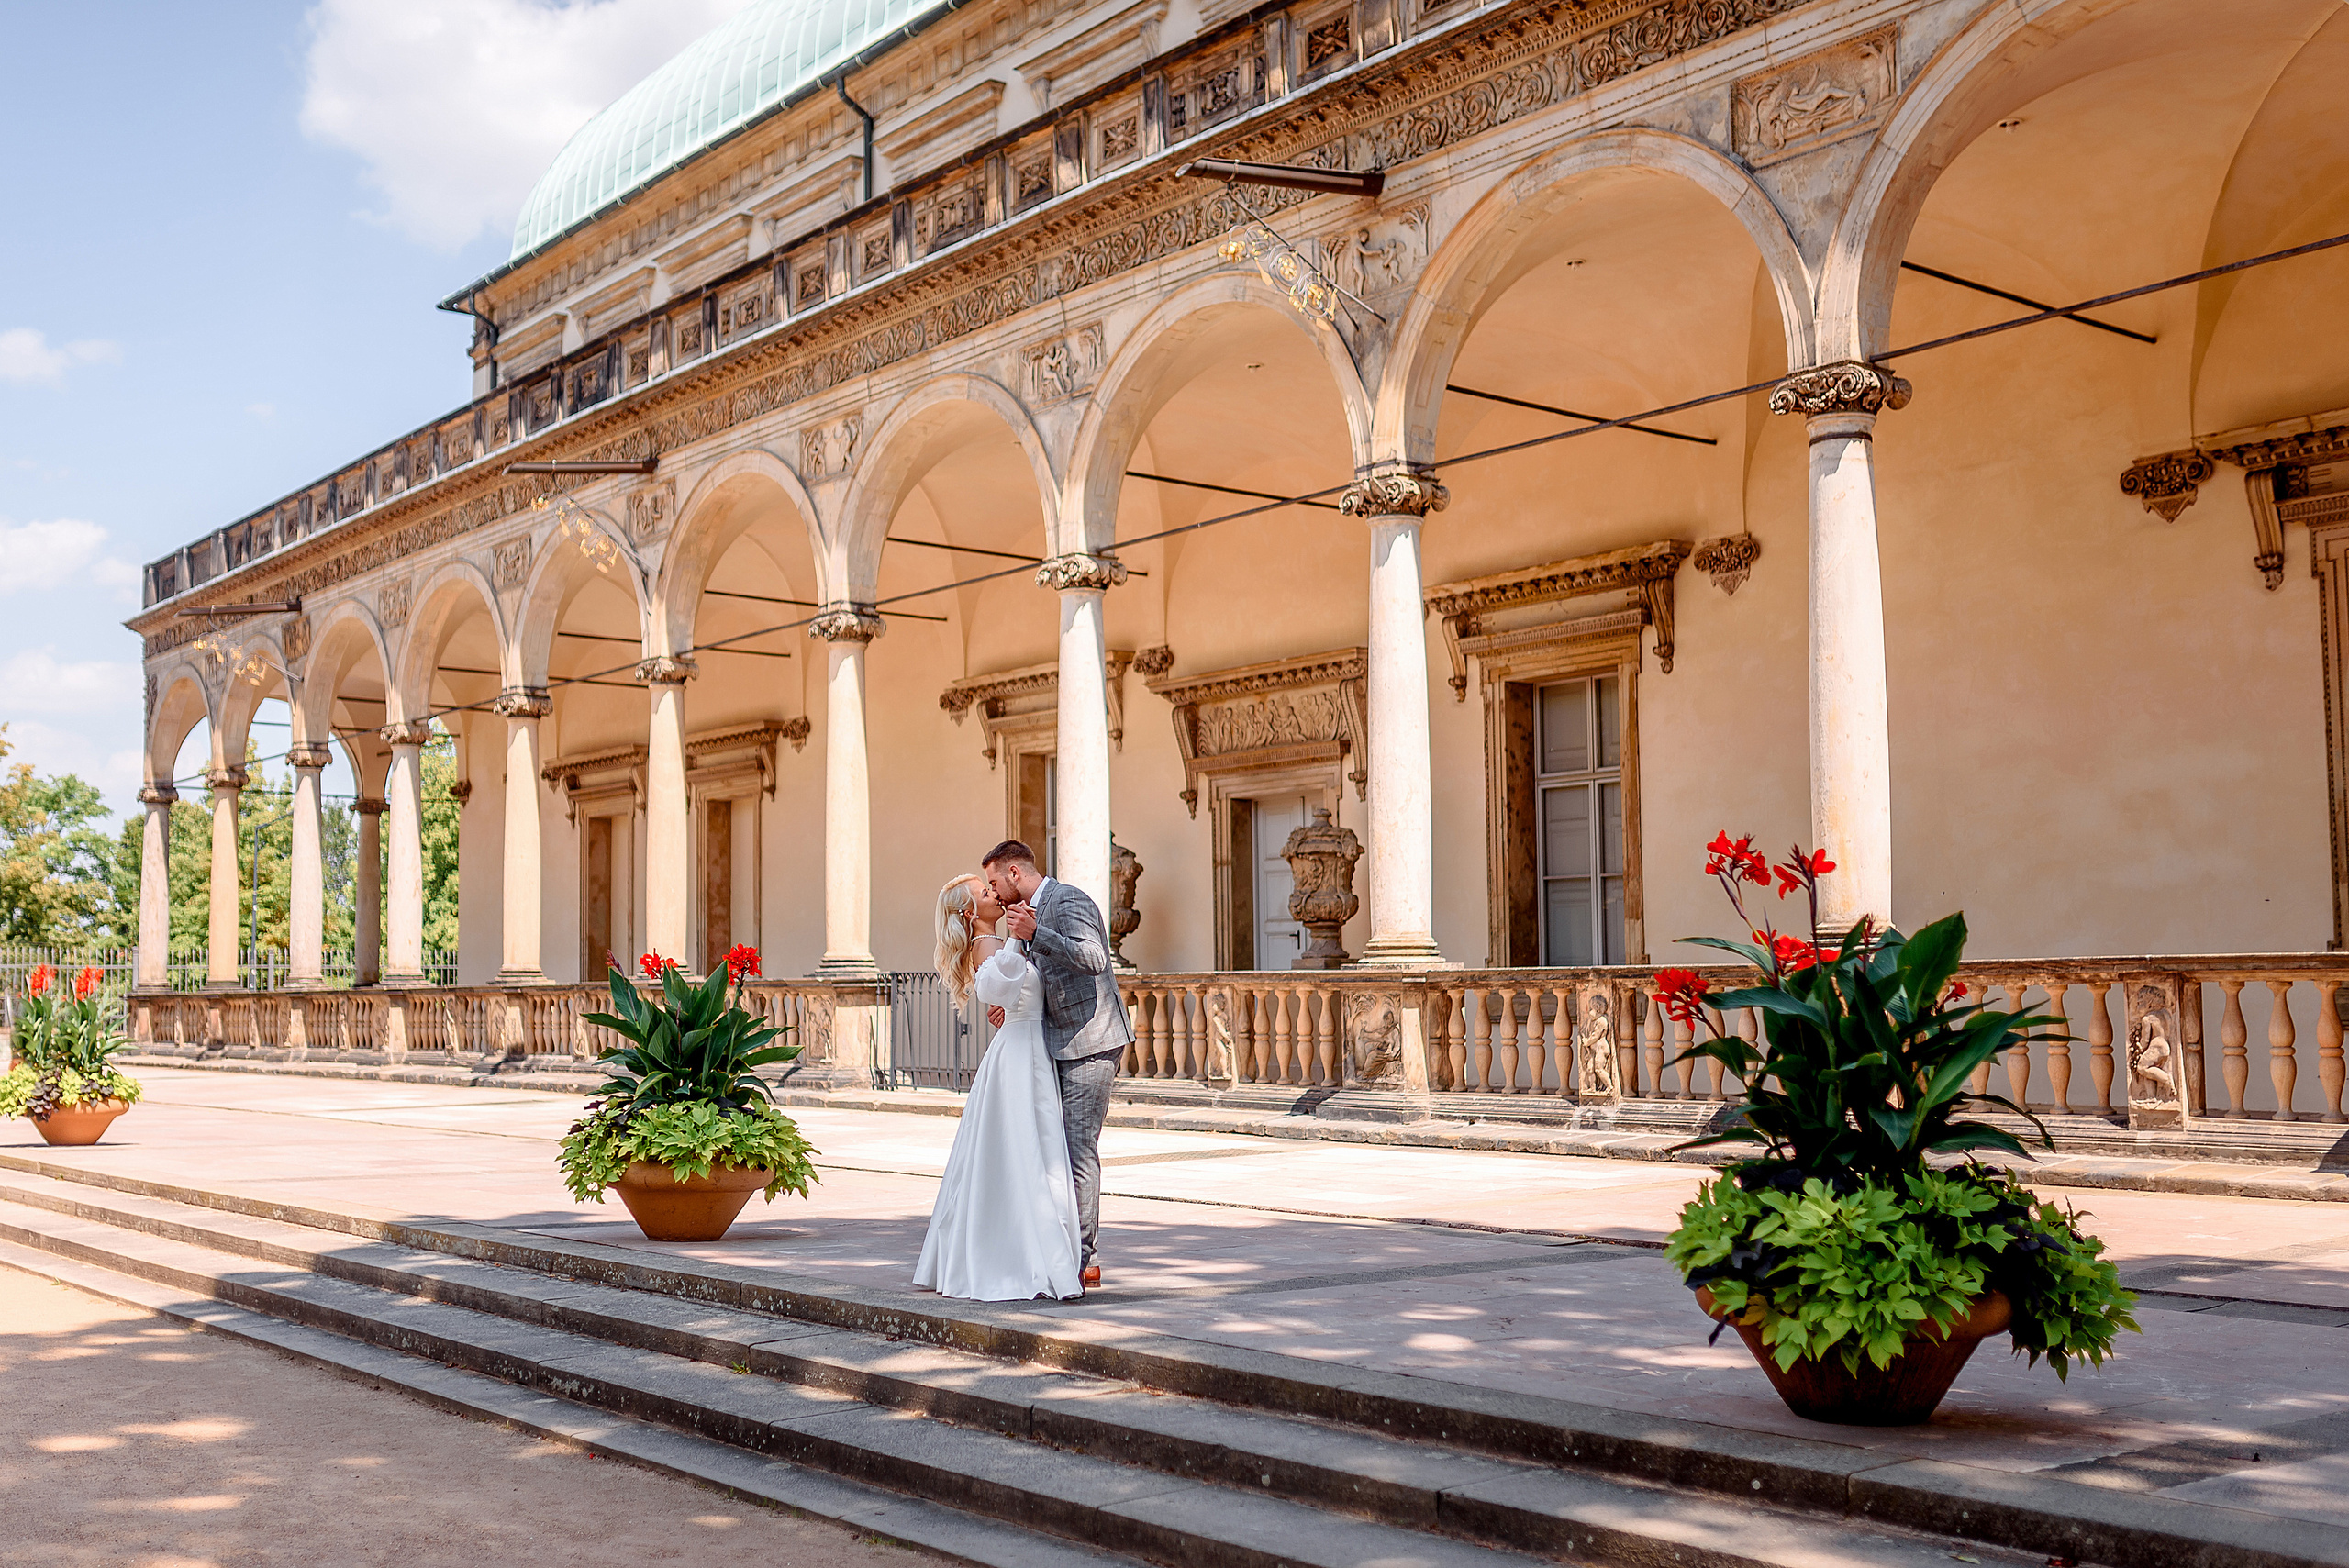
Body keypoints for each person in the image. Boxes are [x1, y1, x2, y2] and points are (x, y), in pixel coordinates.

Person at [911, 873, 1083, 1301]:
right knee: (1028, 1148)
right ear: (971, 912)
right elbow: (999, 986)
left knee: (1023, 1148)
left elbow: (1006, 991)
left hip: (1023, 1045)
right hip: (1020, 1051)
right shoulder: (987, 943)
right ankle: (1029, 1256)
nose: (995, 894)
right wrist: (1015, 944)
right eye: (985, 892)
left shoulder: (994, 943)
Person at [981, 839, 1134, 1291]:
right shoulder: (1023, 915)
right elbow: (1041, 980)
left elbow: (1094, 959)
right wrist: (1008, 1007)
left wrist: (1036, 935)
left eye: (994, 882)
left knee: (1077, 1150)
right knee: (1057, 1151)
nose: (993, 893)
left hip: (1091, 1042)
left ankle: (1084, 1260)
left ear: (1014, 873)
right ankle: (1065, 1251)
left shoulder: (1069, 900)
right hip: (1056, 1041)